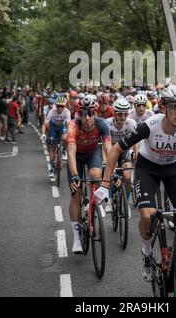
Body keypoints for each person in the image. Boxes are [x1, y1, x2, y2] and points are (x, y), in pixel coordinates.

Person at [95, 85, 176, 282]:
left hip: (173, 170)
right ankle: (146, 251)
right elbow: (116, 150)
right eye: (173, 107)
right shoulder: (149, 125)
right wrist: (104, 184)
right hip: (147, 169)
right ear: (163, 108)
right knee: (147, 215)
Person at [66, 96, 112, 254]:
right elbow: (71, 154)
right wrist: (74, 175)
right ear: (78, 114)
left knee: (96, 174)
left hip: (92, 152)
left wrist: (113, 173)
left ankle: (94, 202)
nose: (87, 118)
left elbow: (108, 149)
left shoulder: (102, 124)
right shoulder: (73, 126)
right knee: (76, 194)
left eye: (90, 113)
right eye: (83, 113)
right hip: (77, 156)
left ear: (96, 113)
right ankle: (76, 237)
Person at [106, 97, 138, 218]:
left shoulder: (131, 123)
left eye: (126, 114)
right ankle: (109, 199)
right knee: (110, 172)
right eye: (120, 114)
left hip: (124, 151)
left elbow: (135, 142)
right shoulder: (107, 123)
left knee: (127, 176)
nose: (123, 117)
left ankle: (126, 203)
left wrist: (136, 154)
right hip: (111, 150)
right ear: (114, 113)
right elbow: (105, 143)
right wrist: (107, 160)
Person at [41, 96, 71, 179]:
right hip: (53, 128)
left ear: (65, 106)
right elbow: (45, 124)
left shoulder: (67, 112)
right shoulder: (52, 111)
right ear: (55, 105)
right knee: (52, 148)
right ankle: (51, 168)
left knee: (65, 137)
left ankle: (63, 150)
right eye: (58, 106)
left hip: (61, 127)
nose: (60, 108)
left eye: (62, 106)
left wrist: (70, 133)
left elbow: (69, 125)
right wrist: (43, 134)